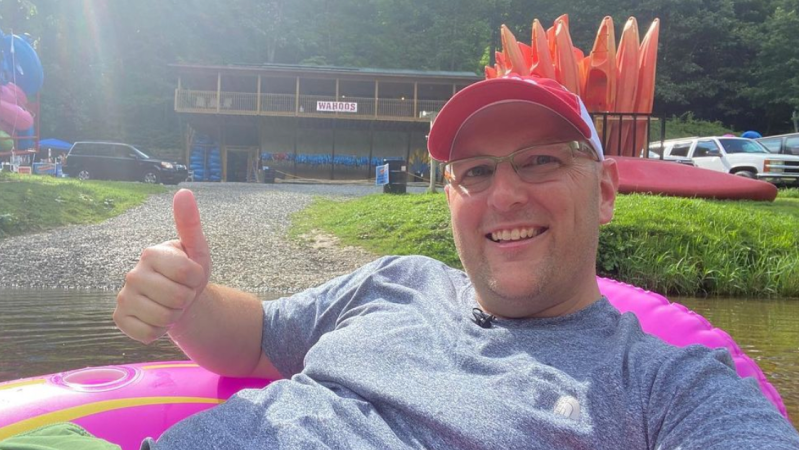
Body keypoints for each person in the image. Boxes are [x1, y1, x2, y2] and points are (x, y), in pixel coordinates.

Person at [111, 75, 798, 448]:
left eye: (539, 161)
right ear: (449, 196)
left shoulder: (666, 385)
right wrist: (190, 302)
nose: (503, 195)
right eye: (473, 172)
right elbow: (255, 338)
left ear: (606, 191)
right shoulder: (393, 281)